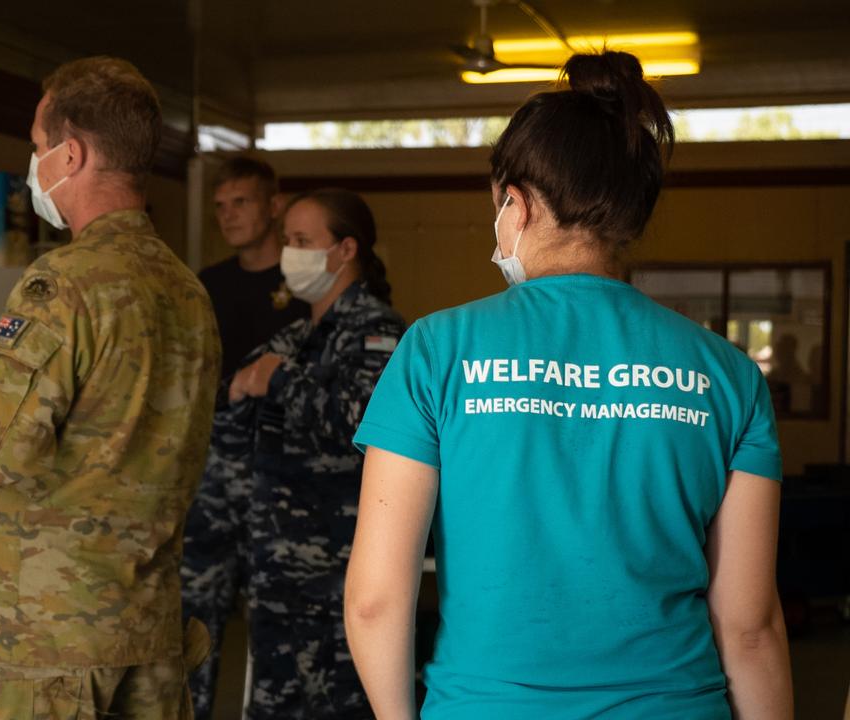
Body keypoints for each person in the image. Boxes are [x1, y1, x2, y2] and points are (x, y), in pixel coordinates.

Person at [346, 51, 793, 719]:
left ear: (515, 206)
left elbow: (377, 598)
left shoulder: (438, 351)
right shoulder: (726, 373)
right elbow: (750, 626)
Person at [0, 56, 220, 720]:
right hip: (147, 633)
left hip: (44, 645)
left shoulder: (63, 283)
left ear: (70, 155)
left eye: (38, 147)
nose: (34, 162)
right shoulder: (189, 290)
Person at [183, 188, 403, 719]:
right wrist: (242, 391)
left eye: (303, 241)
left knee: (339, 705)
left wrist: (279, 383)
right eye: (289, 241)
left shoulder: (378, 333)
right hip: (274, 568)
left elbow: (362, 424)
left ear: (345, 250)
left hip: (336, 570)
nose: (290, 253)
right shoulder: (295, 336)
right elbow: (228, 417)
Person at [198, 156, 309, 378]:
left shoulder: (307, 279)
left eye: (240, 202)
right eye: (220, 206)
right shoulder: (209, 283)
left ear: (275, 206)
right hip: (223, 410)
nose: (228, 216)